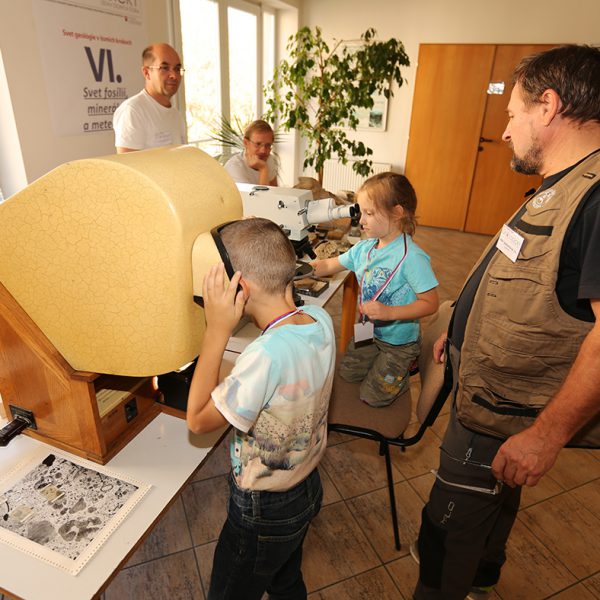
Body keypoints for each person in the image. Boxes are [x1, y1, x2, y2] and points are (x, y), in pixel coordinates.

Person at [413, 44, 600, 600]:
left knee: (445, 530)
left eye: (513, 113)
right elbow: (532, 280)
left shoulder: (595, 199)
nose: (505, 129)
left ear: (549, 106)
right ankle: (479, 581)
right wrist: (462, 326)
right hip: (496, 396)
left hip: (505, 409)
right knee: (492, 501)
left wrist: (546, 435)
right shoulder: (564, 183)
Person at [186, 217, 335, 600]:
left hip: (264, 508)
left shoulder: (264, 356)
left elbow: (198, 419)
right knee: (285, 580)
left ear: (241, 289)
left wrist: (216, 329)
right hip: (305, 487)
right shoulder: (320, 319)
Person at [312, 172, 439, 407]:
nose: (361, 220)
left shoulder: (412, 258)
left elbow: (431, 303)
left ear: (397, 213)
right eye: (361, 212)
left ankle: (402, 372)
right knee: (347, 373)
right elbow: (328, 265)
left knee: (373, 397)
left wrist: (390, 313)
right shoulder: (364, 249)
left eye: (369, 213)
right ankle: (381, 366)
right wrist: (298, 270)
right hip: (368, 331)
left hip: (398, 343)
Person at [113, 43, 186, 153]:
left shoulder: (176, 115)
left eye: (177, 69)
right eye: (165, 68)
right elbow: (127, 163)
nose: (174, 75)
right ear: (147, 73)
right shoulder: (133, 111)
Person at [224, 120, 278, 185]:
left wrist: (263, 168)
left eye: (268, 145)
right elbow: (262, 192)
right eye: (258, 144)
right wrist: (263, 169)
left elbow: (275, 189)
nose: (263, 151)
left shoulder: (269, 159)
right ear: (246, 143)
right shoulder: (234, 166)